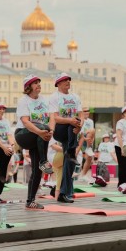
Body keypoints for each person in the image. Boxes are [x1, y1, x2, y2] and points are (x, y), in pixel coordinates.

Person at [14, 74, 52, 210]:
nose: (38, 85)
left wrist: (49, 131)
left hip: (38, 137)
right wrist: (42, 131)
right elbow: (25, 121)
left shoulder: (44, 100)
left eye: (39, 82)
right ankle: (44, 160)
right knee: (42, 127)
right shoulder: (23, 101)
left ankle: (30, 201)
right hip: (23, 134)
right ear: (28, 87)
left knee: (37, 171)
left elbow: (50, 118)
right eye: (35, 83)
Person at [49, 72, 82, 203]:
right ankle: (72, 150)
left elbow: (81, 115)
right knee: (71, 123)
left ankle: (64, 192)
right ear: (58, 83)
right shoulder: (54, 97)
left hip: (73, 130)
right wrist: (71, 122)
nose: (68, 82)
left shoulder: (75, 97)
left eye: (69, 79)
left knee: (69, 162)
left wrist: (80, 126)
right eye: (64, 80)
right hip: (60, 129)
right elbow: (55, 117)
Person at [115, 106, 126, 187]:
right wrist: (122, 148)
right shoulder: (121, 122)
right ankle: (121, 184)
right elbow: (119, 135)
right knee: (122, 165)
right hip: (120, 145)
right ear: (124, 114)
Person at [76, 106, 95, 182]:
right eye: (85, 111)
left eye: (88, 111)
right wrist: (85, 137)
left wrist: (91, 141)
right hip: (80, 139)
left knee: (89, 158)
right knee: (77, 158)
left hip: (87, 140)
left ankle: (83, 175)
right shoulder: (79, 120)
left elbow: (92, 133)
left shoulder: (90, 121)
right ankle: (74, 174)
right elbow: (80, 132)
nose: (87, 112)